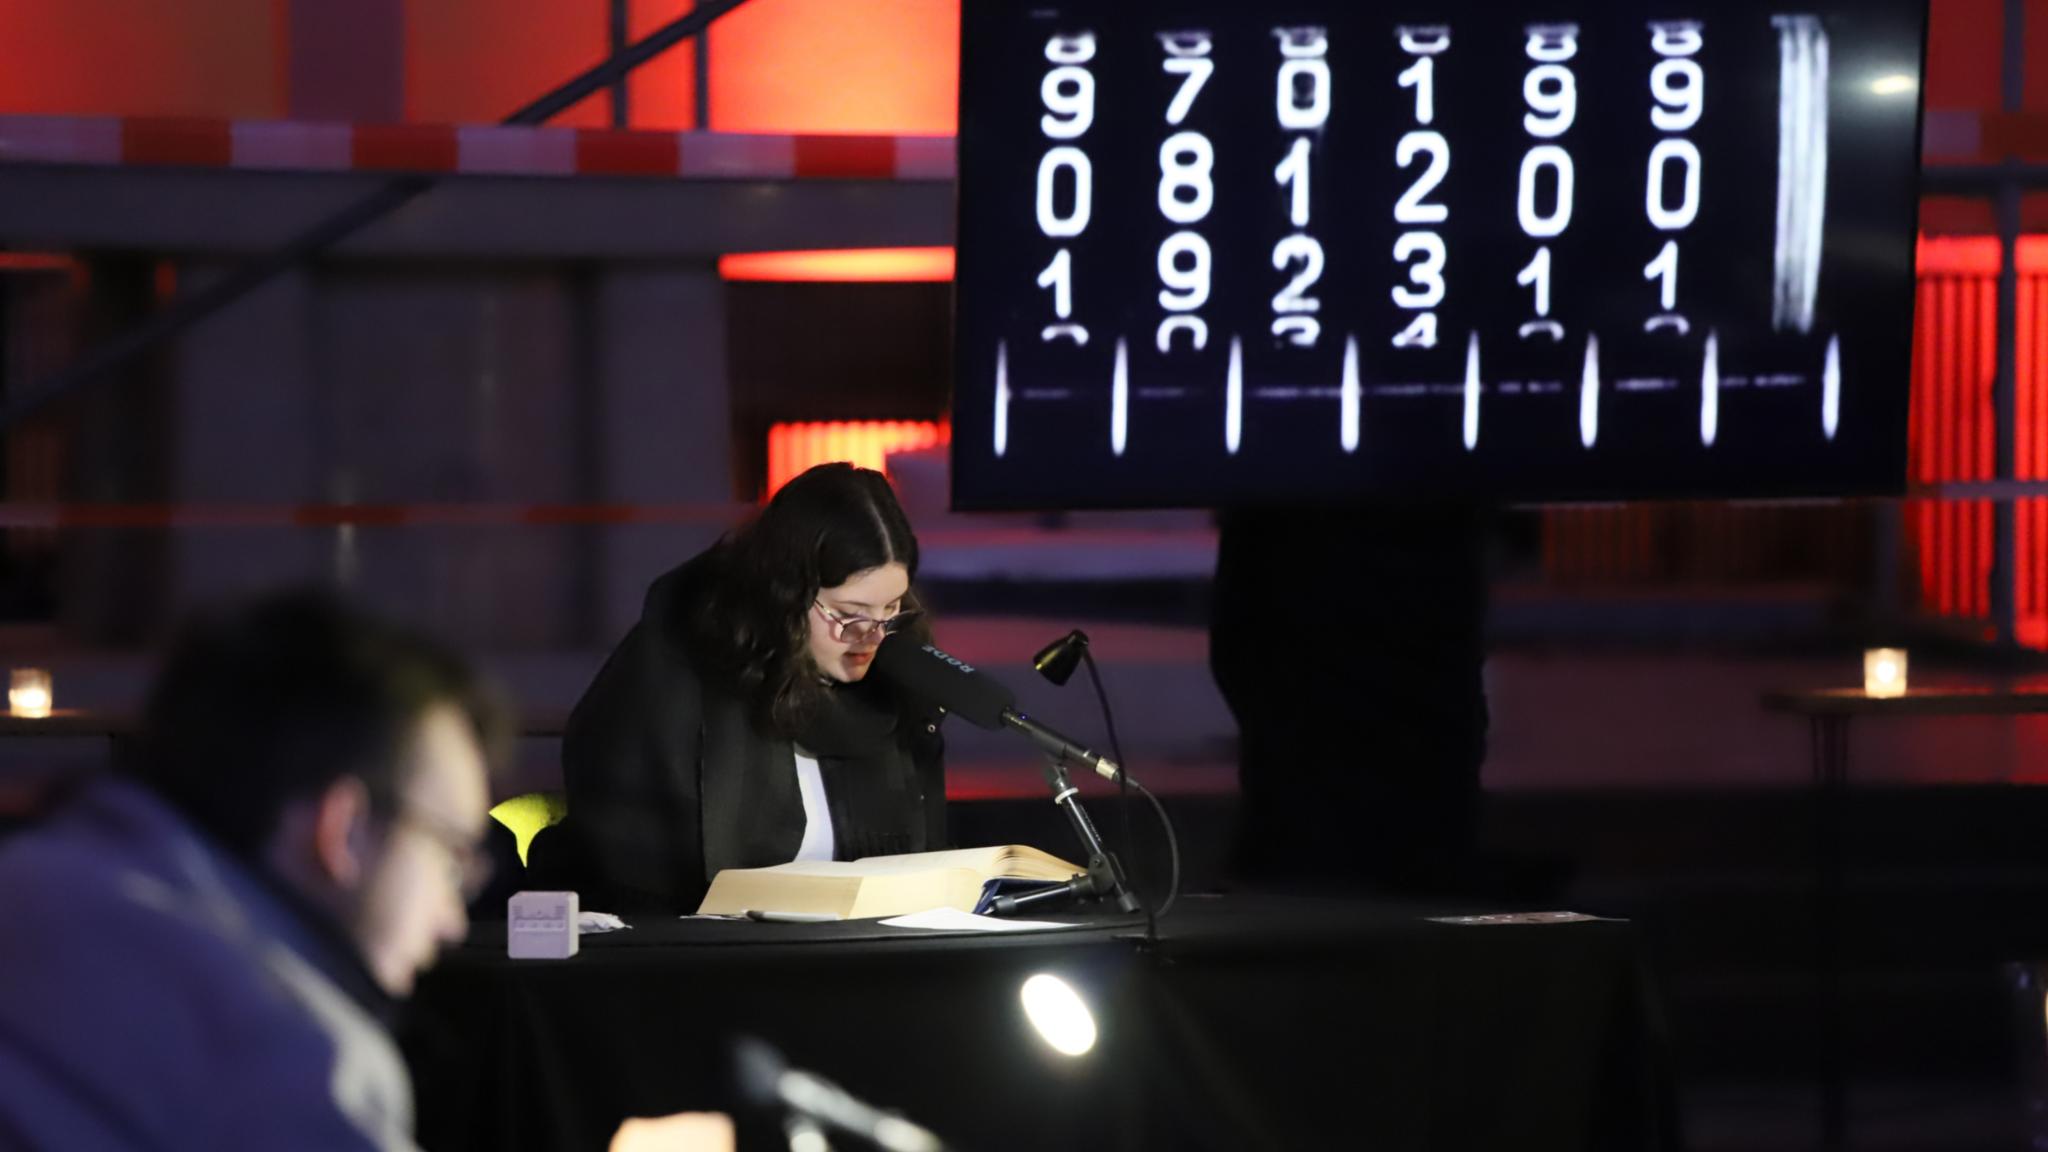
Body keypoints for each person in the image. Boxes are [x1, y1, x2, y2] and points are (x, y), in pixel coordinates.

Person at [0, 591, 509, 1150]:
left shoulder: (28, 883)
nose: (452, 921)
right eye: (452, 857)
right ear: (344, 831)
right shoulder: (300, 1062)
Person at [531, 462, 946, 914]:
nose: (872, 636)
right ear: (787, 594)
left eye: (891, 609)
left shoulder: (894, 685)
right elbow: (627, 864)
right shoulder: (678, 673)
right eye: (849, 614)